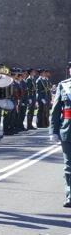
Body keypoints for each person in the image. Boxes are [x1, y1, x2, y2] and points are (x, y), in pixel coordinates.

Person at [50, 64, 71, 207]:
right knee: (69, 166)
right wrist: (54, 131)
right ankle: (70, 196)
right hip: (67, 131)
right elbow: (56, 110)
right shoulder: (63, 86)